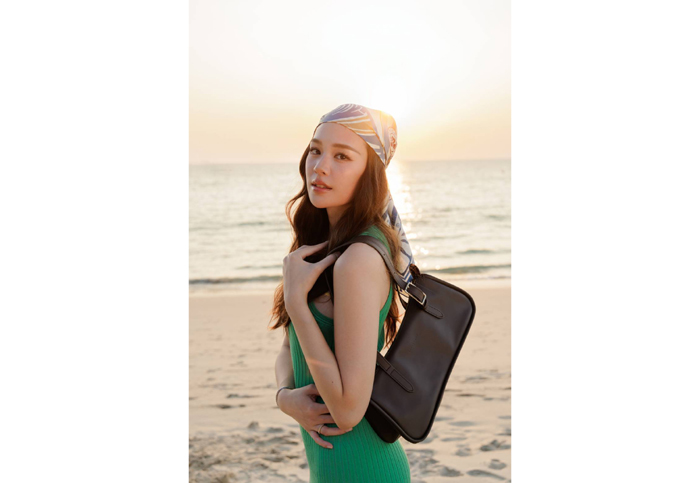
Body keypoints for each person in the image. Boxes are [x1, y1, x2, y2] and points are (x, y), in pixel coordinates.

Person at [268, 103, 416, 482]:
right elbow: (288, 348)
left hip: (366, 470)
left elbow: (348, 411)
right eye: (316, 150)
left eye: (342, 156)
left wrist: (298, 303)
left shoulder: (358, 260)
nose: (320, 166)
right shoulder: (323, 245)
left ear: (370, 173)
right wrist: (285, 398)